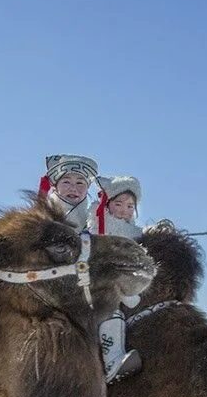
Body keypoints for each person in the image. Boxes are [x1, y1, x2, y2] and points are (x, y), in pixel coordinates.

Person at [94, 175, 145, 381]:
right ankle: (112, 361)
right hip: (103, 285)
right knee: (111, 311)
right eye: (118, 204)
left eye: (130, 206)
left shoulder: (136, 233)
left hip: (130, 283)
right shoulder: (98, 229)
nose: (124, 210)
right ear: (108, 204)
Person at [39, 153, 99, 231]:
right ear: (55, 187)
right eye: (66, 182)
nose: (73, 189)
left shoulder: (94, 223)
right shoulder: (41, 218)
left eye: (79, 183)